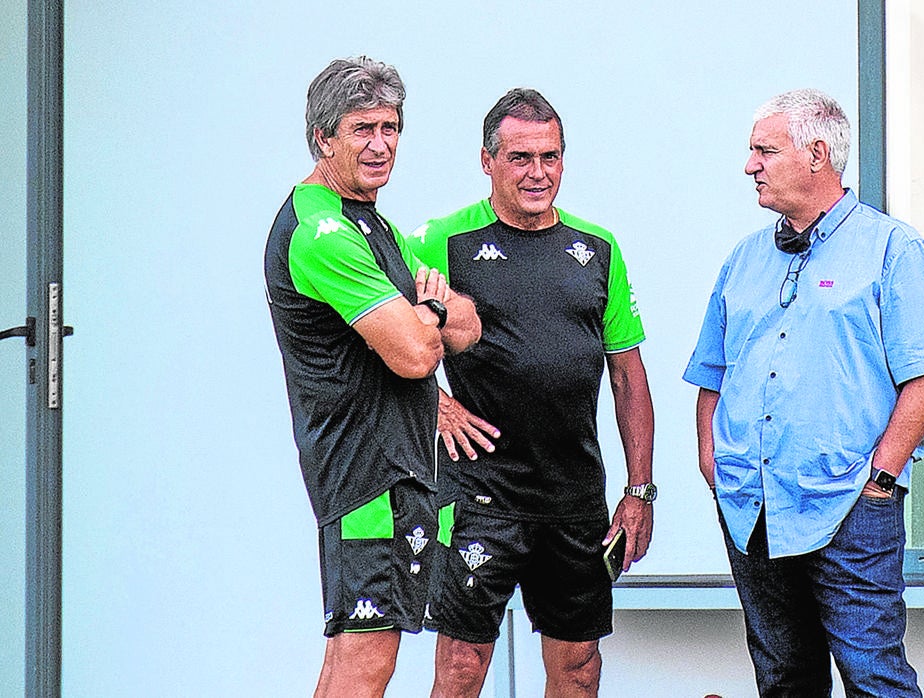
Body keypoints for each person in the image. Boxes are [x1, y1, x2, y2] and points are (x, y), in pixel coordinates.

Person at [683, 89, 924, 697]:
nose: (749, 165)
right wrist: (715, 462)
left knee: (874, 677)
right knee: (784, 679)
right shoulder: (745, 258)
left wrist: (881, 479)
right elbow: (712, 372)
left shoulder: (893, 249)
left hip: (850, 504)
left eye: (765, 150)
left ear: (817, 154)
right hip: (751, 506)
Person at [407, 88, 656, 697]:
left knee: (577, 668)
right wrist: (434, 403)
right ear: (487, 160)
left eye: (550, 156)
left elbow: (628, 376)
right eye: (520, 158)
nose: (537, 173)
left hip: (574, 497)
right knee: (462, 666)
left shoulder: (598, 249)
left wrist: (638, 490)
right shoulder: (439, 240)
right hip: (478, 494)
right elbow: (375, 336)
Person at [264, 56, 480, 697]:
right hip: (364, 473)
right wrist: (431, 308)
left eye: (390, 128)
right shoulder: (323, 230)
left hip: (398, 466)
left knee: (353, 658)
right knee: (367, 658)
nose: (381, 145)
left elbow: (467, 327)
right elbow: (416, 353)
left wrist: (429, 316)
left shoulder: (373, 224)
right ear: (323, 138)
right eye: (362, 129)